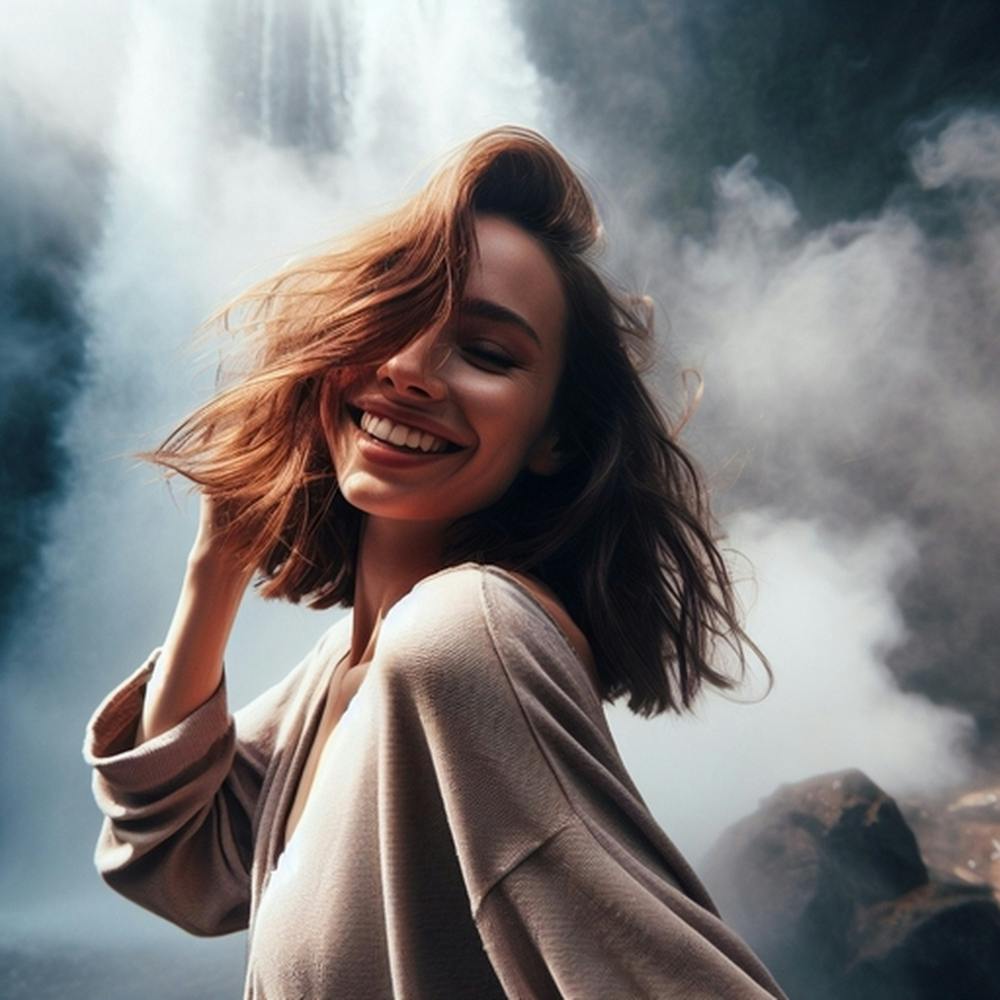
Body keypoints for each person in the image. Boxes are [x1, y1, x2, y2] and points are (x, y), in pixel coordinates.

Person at [83, 126, 788, 999]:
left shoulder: (461, 636)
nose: (409, 370)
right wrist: (215, 567)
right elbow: (176, 859)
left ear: (556, 440)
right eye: (391, 321)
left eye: (488, 353)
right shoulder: (342, 673)